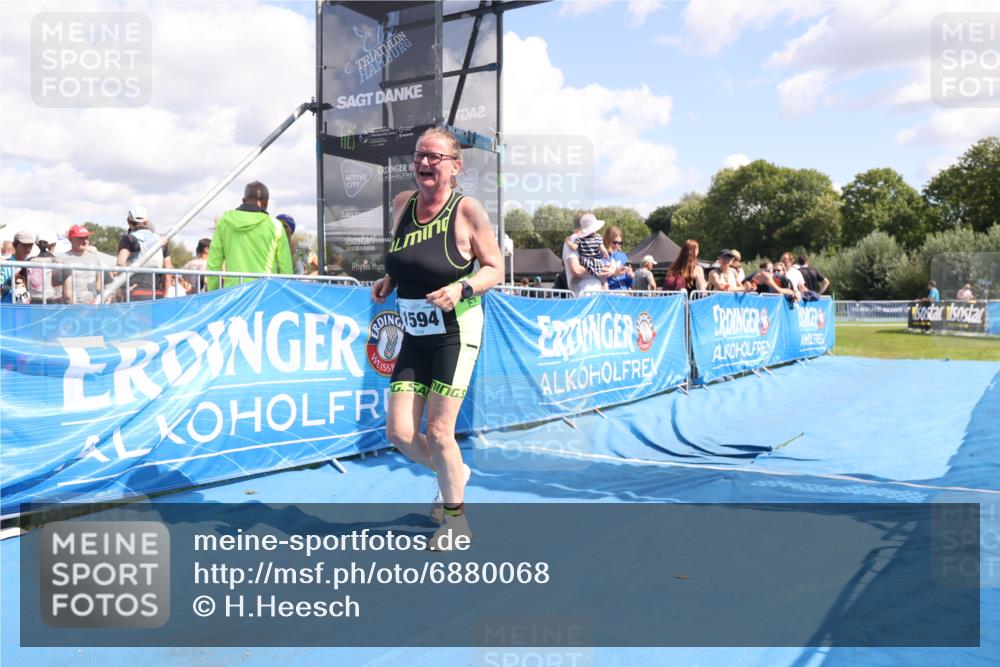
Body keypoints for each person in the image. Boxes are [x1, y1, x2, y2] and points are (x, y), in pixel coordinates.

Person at [371, 127, 503, 550]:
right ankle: (455, 474)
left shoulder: (468, 211)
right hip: (413, 329)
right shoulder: (402, 205)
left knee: (441, 432)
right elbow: (407, 255)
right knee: (399, 432)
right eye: (419, 156)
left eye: (435, 157)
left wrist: (462, 288)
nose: (425, 163)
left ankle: (456, 520)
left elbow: (494, 268)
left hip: (455, 330)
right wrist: (391, 278)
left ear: (455, 166)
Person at [206, 181, 292, 290]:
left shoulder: (223, 222)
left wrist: (213, 294)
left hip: (234, 293)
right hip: (265, 293)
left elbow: (213, 264)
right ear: (266, 202)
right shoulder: (275, 225)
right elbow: (286, 267)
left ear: (243, 200)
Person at [117, 206, 174, 300]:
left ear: (128, 221)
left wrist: (124, 287)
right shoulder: (162, 240)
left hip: (135, 292)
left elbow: (120, 263)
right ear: (147, 222)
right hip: (157, 292)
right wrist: (165, 295)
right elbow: (168, 271)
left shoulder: (128, 238)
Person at [562, 211, 613, 296]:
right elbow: (576, 270)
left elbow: (609, 267)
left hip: (595, 292)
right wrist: (599, 269)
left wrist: (609, 270)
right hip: (584, 293)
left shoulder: (592, 238)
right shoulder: (574, 239)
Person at [54, 225, 104, 304]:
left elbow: (99, 279)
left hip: (92, 307)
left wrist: (98, 299)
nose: (85, 241)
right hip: (70, 308)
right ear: (70, 240)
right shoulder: (61, 259)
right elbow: (55, 284)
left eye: (87, 237)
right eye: (80, 238)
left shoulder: (94, 257)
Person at [564, 212, 609, 279]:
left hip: (587, 263)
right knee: (604, 282)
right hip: (588, 285)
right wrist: (606, 258)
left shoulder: (578, 238)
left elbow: (574, 247)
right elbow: (576, 270)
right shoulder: (597, 237)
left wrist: (567, 241)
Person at [26, 230, 62, 303]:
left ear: (36, 244)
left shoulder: (29, 261)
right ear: (54, 244)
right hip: (53, 301)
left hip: (33, 300)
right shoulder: (57, 262)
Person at [1, 230, 35, 303]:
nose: (28, 248)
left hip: (26, 310)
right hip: (8, 309)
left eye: (30, 245)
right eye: (24, 245)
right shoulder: (5, 265)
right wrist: (11, 281)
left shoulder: (32, 265)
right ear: (15, 245)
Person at [603, 226, 634, 290]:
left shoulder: (623, 256)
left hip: (623, 295)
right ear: (607, 240)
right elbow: (599, 276)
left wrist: (631, 277)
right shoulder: (601, 255)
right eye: (614, 242)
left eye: (620, 243)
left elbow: (629, 284)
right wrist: (614, 273)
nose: (617, 245)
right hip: (608, 295)